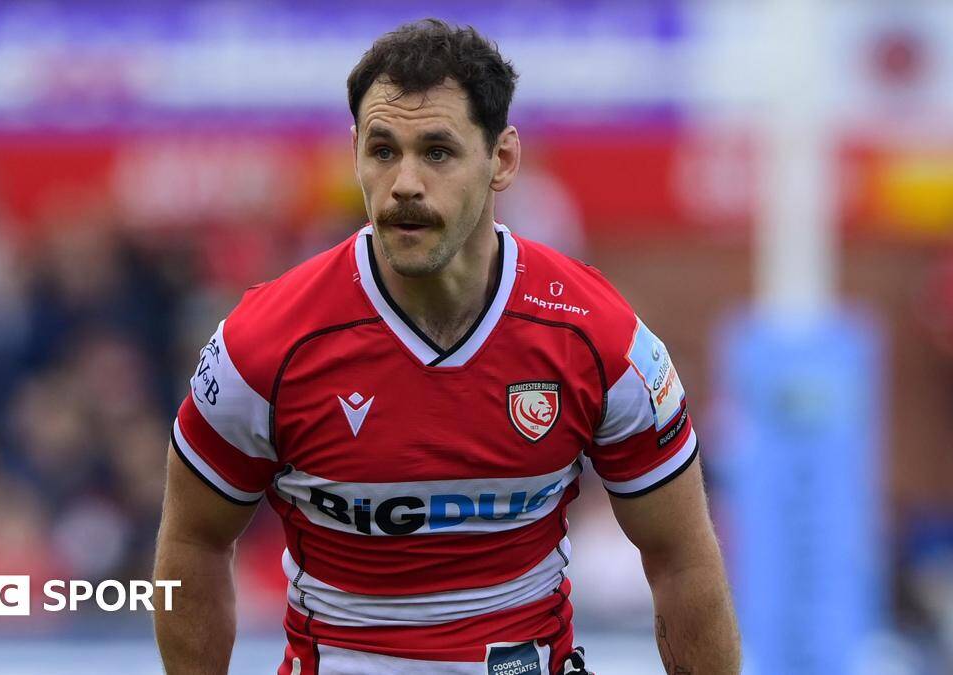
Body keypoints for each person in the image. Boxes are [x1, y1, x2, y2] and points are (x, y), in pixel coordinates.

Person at [153, 19, 740, 675]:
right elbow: (193, 541)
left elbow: (682, 558)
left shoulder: (597, 335)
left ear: (502, 160)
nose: (405, 182)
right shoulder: (262, 344)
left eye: (437, 152)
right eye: (382, 151)